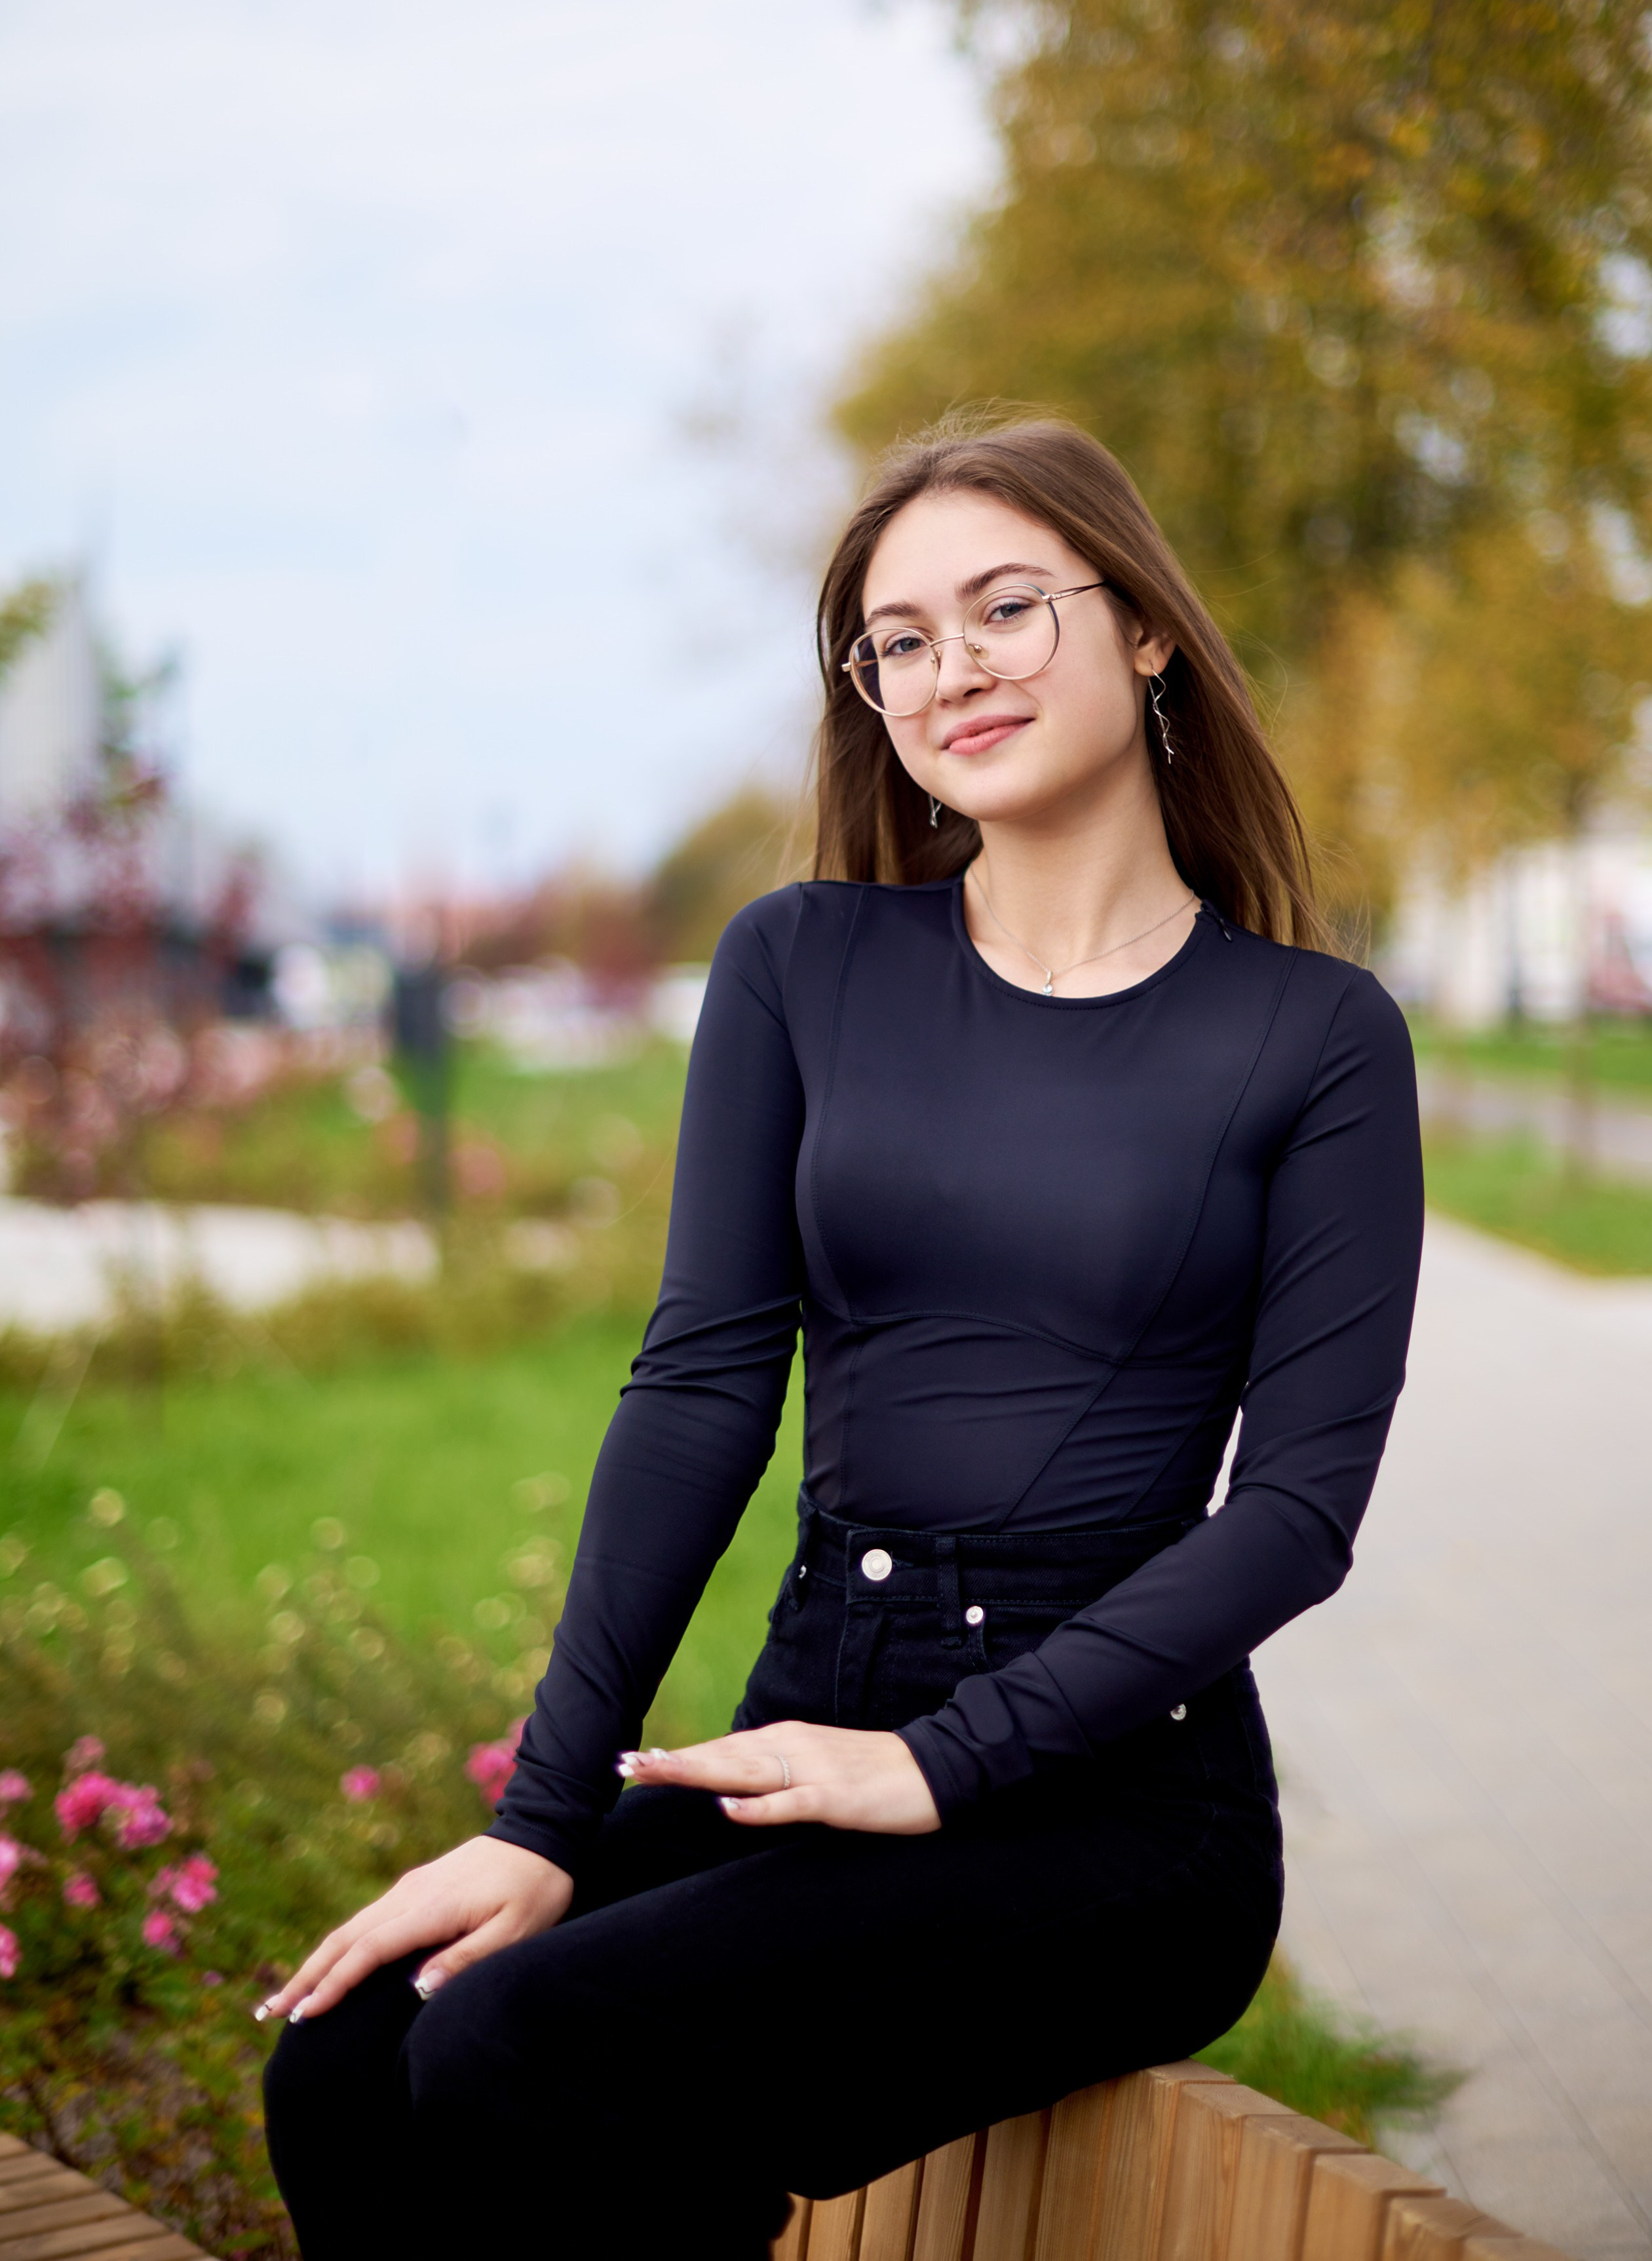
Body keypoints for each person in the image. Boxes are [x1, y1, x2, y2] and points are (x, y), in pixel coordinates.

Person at [261, 414, 1423, 2260]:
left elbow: (1294, 1510)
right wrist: (541, 1815)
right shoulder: (802, 961)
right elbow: (702, 1377)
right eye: (896, 637)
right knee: (344, 2050)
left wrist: (946, 1761)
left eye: (1003, 606)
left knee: (528, 2048)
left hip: (1113, 1802)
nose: (948, 665)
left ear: (1141, 629)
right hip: (822, 1716)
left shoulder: (1314, 1035)